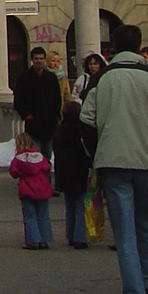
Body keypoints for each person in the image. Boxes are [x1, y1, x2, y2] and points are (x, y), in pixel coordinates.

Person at [79, 23, 148, 294]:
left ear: (113, 47)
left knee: (124, 231)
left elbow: (86, 122)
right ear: (139, 47)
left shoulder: (102, 79)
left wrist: (96, 155)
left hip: (113, 162)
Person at [13, 48, 62, 165]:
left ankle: (46, 182)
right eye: (36, 59)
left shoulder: (51, 78)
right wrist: (27, 116)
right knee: (35, 157)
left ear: (45, 60)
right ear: (32, 60)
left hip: (49, 126)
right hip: (33, 126)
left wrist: (56, 116)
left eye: (41, 59)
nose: (39, 61)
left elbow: (57, 99)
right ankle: (37, 182)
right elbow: (19, 101)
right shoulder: (24, 78)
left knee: (47, 157)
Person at [54, 100, 92, 249]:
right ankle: (80, 237)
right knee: (81, 205)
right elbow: (86, 151)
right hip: (79, 171)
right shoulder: (81, 131)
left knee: (70, 205)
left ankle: (70, 235)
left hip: (64, 172)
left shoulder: (60, 131)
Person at [10, 131, 53, 249]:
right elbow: (46, 169)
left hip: (27, 189)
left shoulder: (18, 159)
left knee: (30, 216)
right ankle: (44, 239)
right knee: (43, 215)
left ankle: (33, 240)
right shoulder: (40, 156)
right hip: (43, 189)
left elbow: (13, 172)